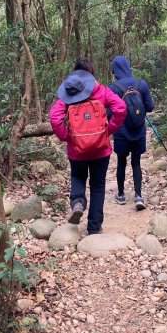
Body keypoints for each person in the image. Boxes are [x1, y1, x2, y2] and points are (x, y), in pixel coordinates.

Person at [49, 59, 126, 235]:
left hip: (77, 150)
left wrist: (67, 137)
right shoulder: (101, 91)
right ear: (91, 74)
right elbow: (121, 108)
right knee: (98, 185)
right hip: (101, 148)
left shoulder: (68, 95)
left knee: (78, 176)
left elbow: (55, 117)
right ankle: (93, 227)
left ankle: (77, 202)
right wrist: (109, 130)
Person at [109, 56, 154, 210]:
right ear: (129, 67)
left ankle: (121, 195)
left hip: (121, 132)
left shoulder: (113, 88)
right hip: (139, 130)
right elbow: (150, 107)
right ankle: (138, 196)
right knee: (136, 162)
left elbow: (109, 114)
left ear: (114, 71)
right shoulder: (141, 84)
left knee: (122, 161)